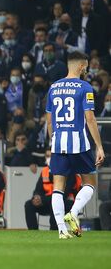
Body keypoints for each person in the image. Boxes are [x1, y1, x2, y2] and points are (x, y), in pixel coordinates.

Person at [45, 51, 105, 239]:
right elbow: (90, 118)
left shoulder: (53, 88)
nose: (86, 69)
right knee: (89, 183)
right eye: (85, 66)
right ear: (80, 66)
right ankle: (74, 212)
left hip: (58, 142)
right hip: (79, 143)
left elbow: (49, 121)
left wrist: (53, 141)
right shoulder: (85, 87)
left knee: (58, 186)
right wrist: (100, 147)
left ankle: (62, 230)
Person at [25, 154, 81, 231]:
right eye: (47, 156)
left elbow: (64, 194)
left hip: (67, 203)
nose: (49, 158)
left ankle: (54, 230)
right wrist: (36, 197)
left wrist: (43, 199)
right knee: (29, 204)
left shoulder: (69, 171)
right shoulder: (45, 171)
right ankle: (33, 232)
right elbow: (38, 190)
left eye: (51, 156)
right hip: (48, 202)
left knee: (55, 202)